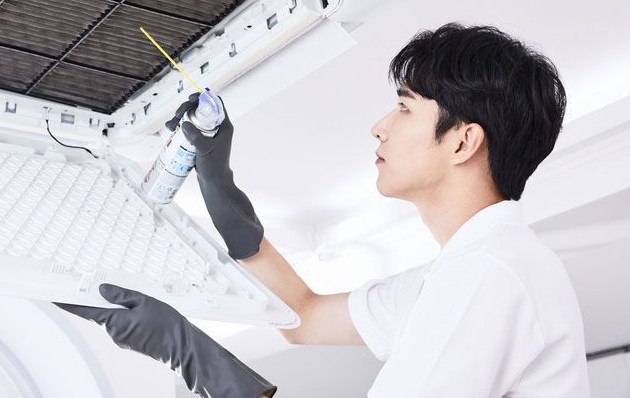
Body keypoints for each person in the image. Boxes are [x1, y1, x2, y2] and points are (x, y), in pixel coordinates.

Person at [57, 23, 589, 397]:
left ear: (462, 142)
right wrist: (221, 189)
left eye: (404, 107)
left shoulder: (489, 276)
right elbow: (304, 317)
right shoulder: (464, 271)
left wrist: (195, 358)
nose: (379, 125)